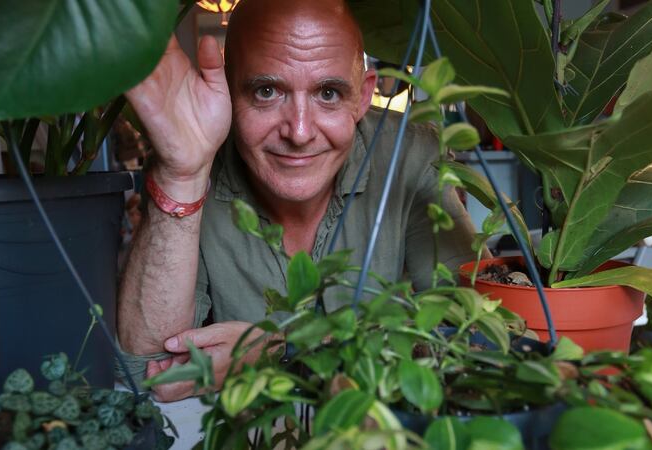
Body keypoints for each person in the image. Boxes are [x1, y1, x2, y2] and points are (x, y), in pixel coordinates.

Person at [117, 0, 479, 401]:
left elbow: (470, 337)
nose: (300, 132)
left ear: (362, 97)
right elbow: (148, 371)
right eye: (267, 91)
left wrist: (279, 348)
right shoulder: (198, 159)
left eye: (328, 93)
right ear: (228, 91)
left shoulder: (409, 154)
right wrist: (181, 174)